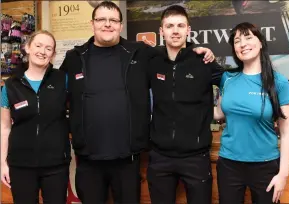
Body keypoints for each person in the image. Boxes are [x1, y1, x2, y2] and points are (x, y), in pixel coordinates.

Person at [59, 1, 215, 203]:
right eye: (101, 20)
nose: (107, 24)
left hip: (128, 158)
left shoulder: (139, 52)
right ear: (92, 24)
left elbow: (175, 51)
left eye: (113, 20)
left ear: (120, 26)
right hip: (88, 159)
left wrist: (198, 50)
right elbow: (54, 96)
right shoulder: (74, 58)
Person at [146, 5, 224, 204]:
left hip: (196, 157)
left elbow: (232, 83)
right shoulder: (151, 61)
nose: (175, 30)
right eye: (170, 26)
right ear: (161, 31)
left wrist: (219, 111)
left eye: (180, 25)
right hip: (159, 157)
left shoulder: (203, 61)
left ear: (188, 30)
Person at [214, 22, 289, 204]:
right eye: (237, 40)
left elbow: (287, 133)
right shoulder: (227, 78)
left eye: (248, 37)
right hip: (228, 164)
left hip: (265, 166)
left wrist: (282, 174)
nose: (243, 44)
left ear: (260, 42)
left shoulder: (278, 82)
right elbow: (219, 113)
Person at [1, 30, 71, 204]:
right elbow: (4, 127)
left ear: (53, 54)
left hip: (56, 164)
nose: (43, 51)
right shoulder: (10, 85)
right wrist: (3, 163)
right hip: (21, 165)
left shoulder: (63, 80)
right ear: (27, 48)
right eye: (38, 45)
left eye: (49, 48)